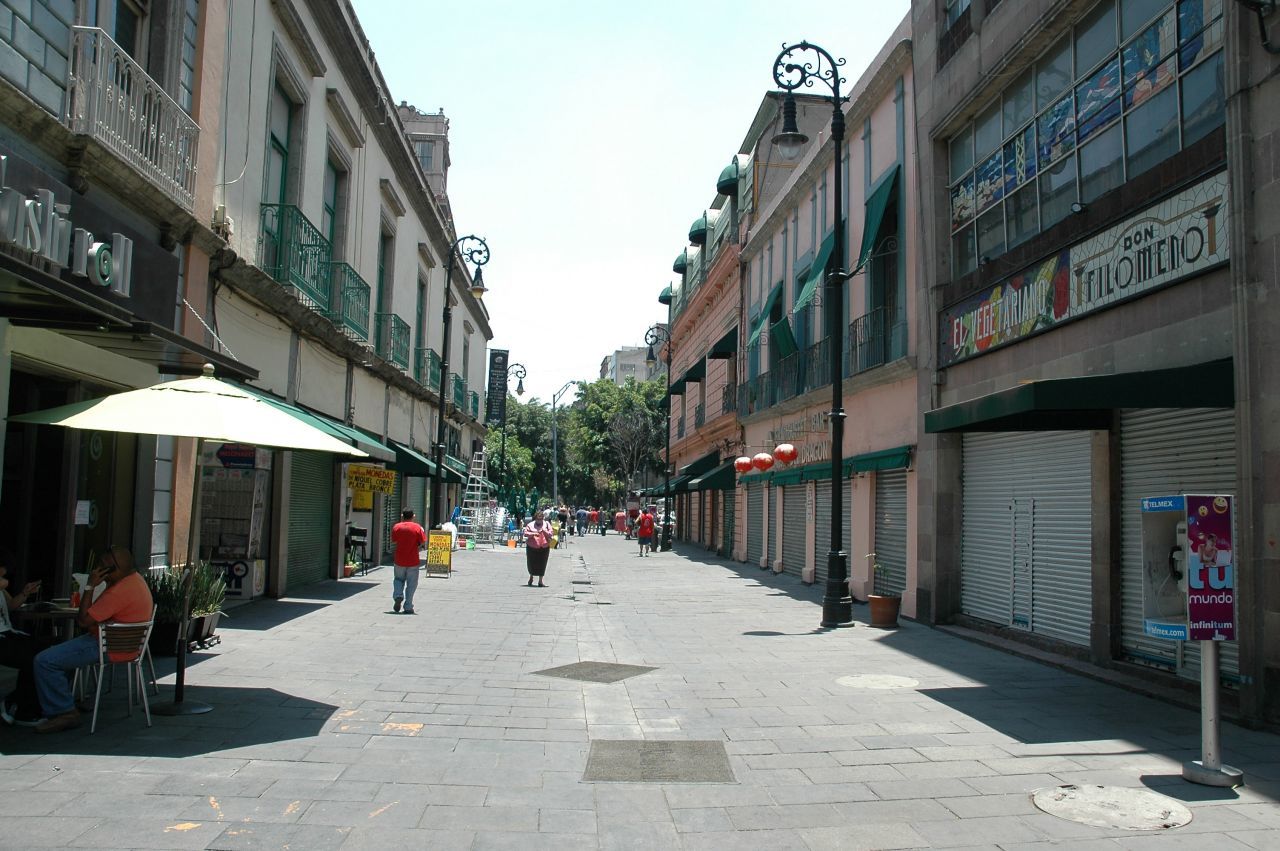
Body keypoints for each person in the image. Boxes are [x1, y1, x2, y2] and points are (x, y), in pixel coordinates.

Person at [32, 545, 152, 734]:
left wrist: (90, 586)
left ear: (112, 569)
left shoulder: (118, 592)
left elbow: (83, 620)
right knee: (58, 654)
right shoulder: (136, 581)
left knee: (44, 661)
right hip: (125, 646)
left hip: (105, 646)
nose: (98, 566)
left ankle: (64, 712)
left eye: (103, 564)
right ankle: (65, 700)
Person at [0, 550, 50, 727]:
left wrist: (25, 593)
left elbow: (11, 605)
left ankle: (20, 700)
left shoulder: (2, 588)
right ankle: (23, 709)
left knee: (45, 650)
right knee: (31, 658)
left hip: (8, 632)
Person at [390, 509, 427, 614]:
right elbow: (422, 541)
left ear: (402, 516)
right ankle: (408, 606)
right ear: (413, 516)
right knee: (411, 584)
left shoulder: (397, 527)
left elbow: (394, 539)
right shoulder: (417, 528)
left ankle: (398, 595)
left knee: (398, 579)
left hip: (399, 559)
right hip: (413, 560)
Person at [523, 510, 553, 587]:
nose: (539, 521)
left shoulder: (546, 524)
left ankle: (540, 581)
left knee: (542, 563)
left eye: (541, 519)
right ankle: (531, 577)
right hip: (532, 547)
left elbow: (551, 534)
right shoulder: (530, 524)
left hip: (544, 547)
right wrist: (533, 534)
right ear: (535, 518)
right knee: (531, 562)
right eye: (538, 519)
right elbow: (525, 533)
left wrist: (544, 531)